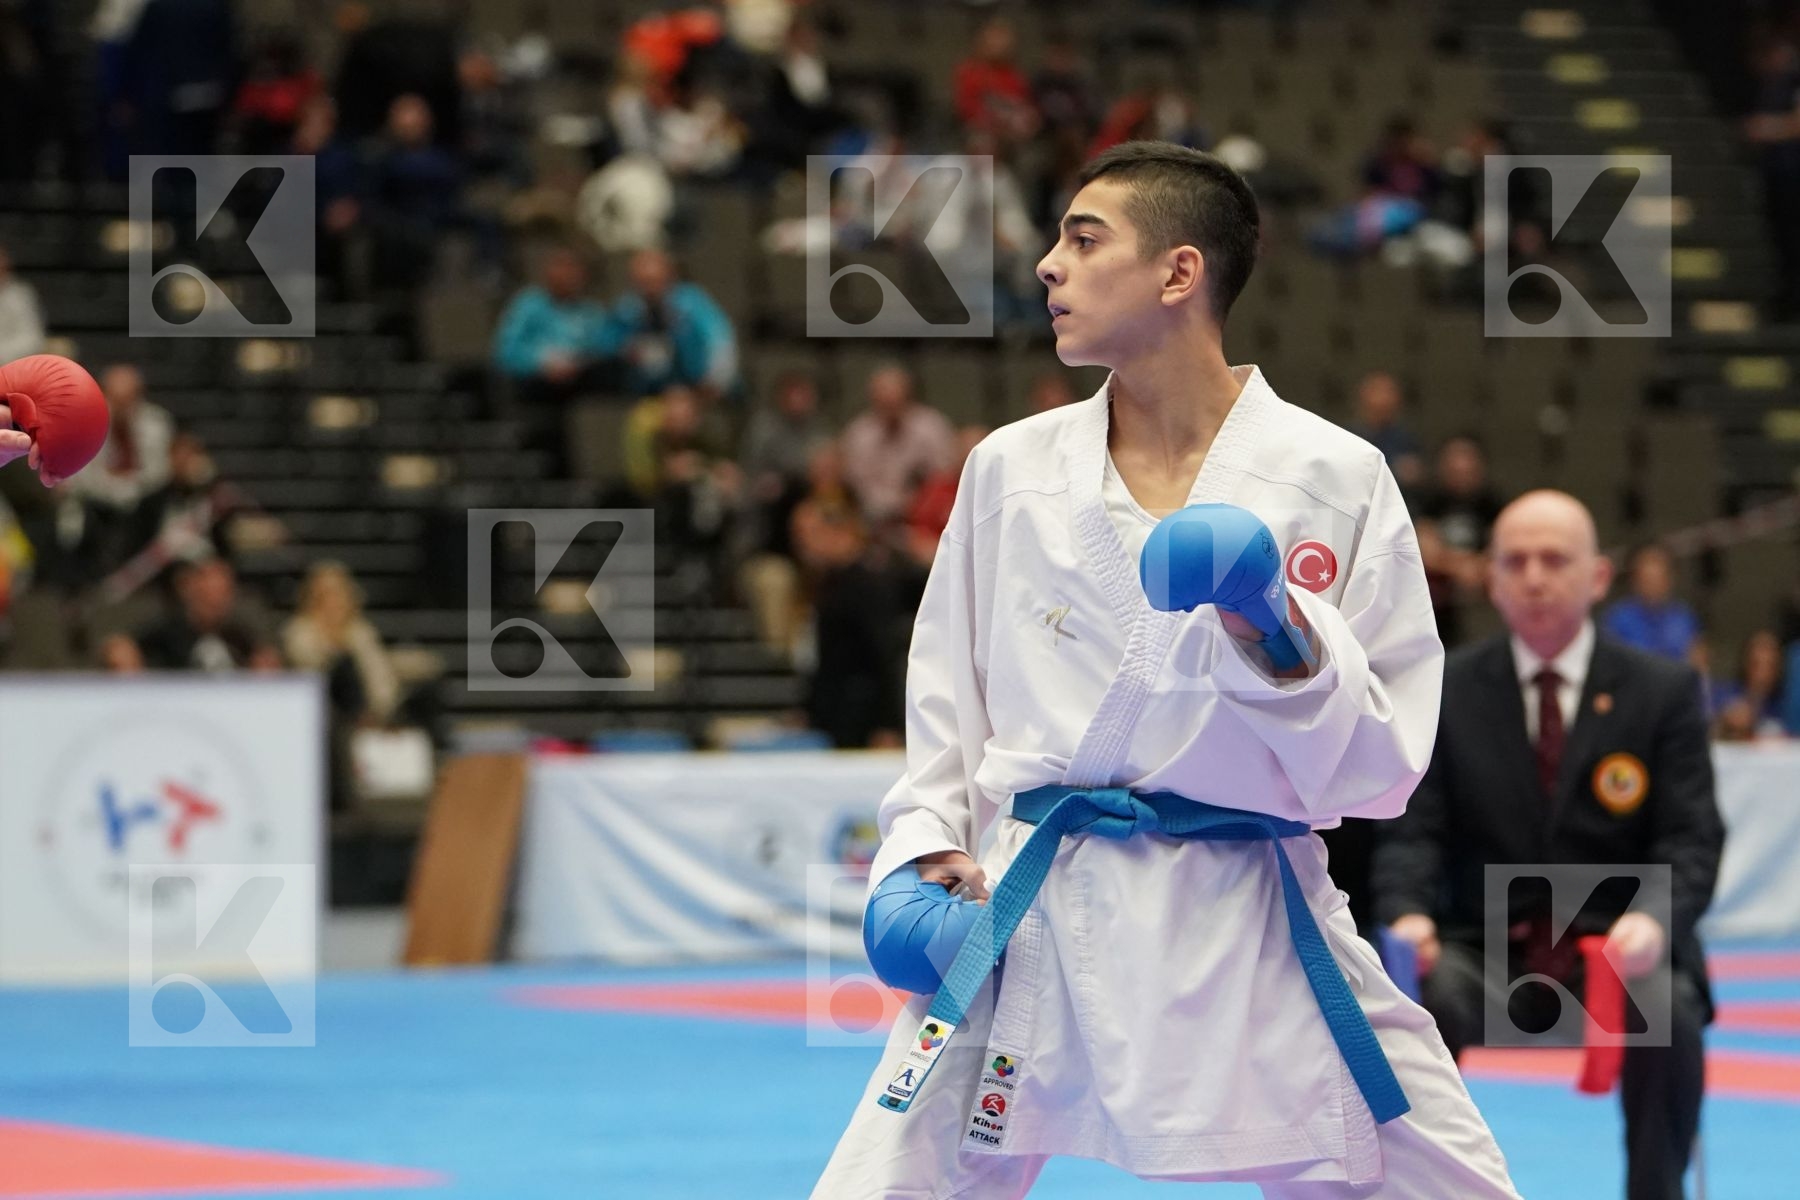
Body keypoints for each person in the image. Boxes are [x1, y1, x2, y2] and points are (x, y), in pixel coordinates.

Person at [810, 141, 1518, 1198]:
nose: (1049, 264)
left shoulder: (1333, 476)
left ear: (1179, 273)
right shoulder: (1012, 468)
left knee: (1448, 1182)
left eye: (1084, 240)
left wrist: (1277, 630)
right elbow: (946, 707)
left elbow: (1381, 773)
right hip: (1036, 900)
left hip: (1256, 908)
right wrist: (918, 852)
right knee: (883, 1183)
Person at [1372, 490, 1722, 1200]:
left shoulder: (1664, 691)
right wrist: (1408, 916)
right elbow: (1413, 830)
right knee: (1405, 1003)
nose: (1534, 576)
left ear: (1597, 577)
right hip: (1484, 954)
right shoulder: (1447, 689)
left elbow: (1693, 838)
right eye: (1515, 561)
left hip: (1613, 954)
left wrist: (1653, 924)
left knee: (1670, 1006)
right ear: (1493, 581)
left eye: (1554, 560)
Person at [837, 363, 955, 529]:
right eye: (883, 403)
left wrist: (916, 506)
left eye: (895, 401)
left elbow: (944, 477)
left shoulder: (931, 426)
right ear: (873, 400)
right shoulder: (859, 433)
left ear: (908, 397)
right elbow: (856, 485)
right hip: (871, 518)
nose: (890, 407)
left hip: (923, 515)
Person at [1602, 543, 1701, 662]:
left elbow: (1697, 661)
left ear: (1670, 578)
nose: (1653, 585)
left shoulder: (1684, 616)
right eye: (1647, 580)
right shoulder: (1617, 619)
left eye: (1659, 578)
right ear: (1634, 579)